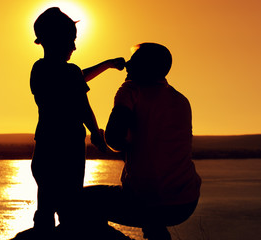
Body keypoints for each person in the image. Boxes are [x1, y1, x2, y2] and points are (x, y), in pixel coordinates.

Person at [11, 7, 125, 240]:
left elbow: (74, 76)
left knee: (45, 202)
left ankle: (42, 234)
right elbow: (82, 104)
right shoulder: (69, 73)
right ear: (58, 40)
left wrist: (106, 64)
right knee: (70, 205)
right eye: (71, 41)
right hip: (69, 147)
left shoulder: (39, 69)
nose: (74, 47)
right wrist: (95, 132)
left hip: (44, 146)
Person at [82, 43, 202, 240]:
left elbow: (115, 139)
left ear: (143, 66)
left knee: (79, 203)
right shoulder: (181, 100)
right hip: (186, 202)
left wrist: (103, 139)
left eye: (133, 61)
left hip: (146, 201)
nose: (127, 65)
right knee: (151, 205)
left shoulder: (131, 90)